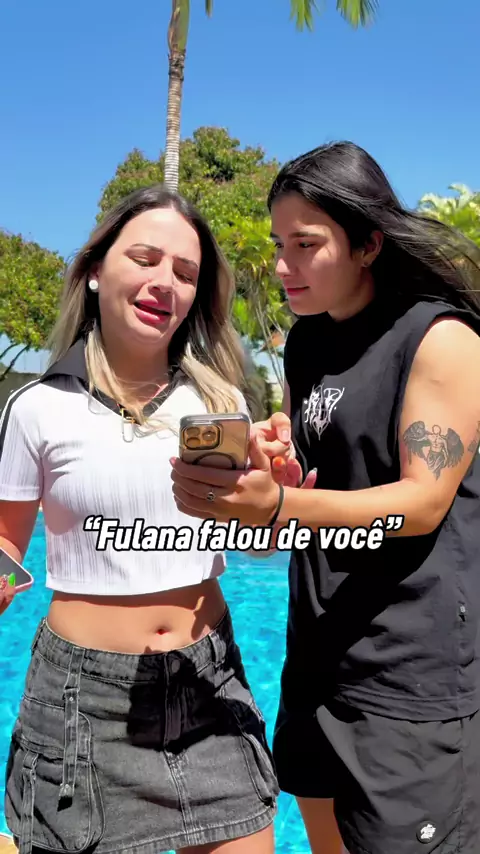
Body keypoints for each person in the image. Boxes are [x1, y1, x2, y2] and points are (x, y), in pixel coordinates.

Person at [169, 141, 480, 854]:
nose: (284, 266)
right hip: (316, 657)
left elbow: (422, 502)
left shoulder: (440, 338)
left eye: (306, 245)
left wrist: (279, 509)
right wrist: (278, 467)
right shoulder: (307, 343)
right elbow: (318, 481)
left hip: (408, 676)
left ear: (368, 244)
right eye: (280, 244)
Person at [0, 185, 280, 854]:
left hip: (209, 685)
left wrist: (274, 502)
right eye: (146, 259)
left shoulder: (219, 402)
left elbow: (253, 543)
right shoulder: (37, 408)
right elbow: (6, 544)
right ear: (96, 270)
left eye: (185, 272)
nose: (165, 283)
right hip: (81, 705)